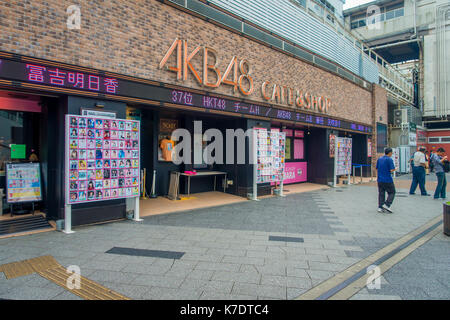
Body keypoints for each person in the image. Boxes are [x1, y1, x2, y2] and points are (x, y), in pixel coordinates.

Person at [376, 148, 396, 213]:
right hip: (387, 179)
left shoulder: (379, 159)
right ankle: (387, 204)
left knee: (381, 193)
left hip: (380, 179)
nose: (392, 154)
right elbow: (391, 169)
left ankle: (380, 207)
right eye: (391, 153)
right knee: (392, 192)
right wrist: (395, 169)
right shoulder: (389, 159)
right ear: (389, 153)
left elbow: (377, 168)